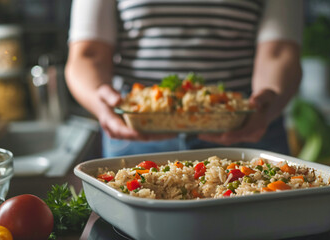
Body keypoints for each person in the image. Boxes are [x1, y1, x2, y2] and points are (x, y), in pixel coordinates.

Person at [65, 0, 303, 157]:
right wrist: (100, 101)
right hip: (136, 130)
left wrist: (266, 105)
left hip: (247, 125)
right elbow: (88, 54)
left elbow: (279, 52)